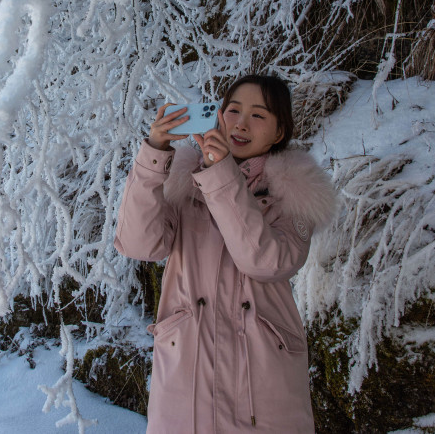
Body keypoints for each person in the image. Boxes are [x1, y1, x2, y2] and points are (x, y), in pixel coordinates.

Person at [115, 74, 337, 433]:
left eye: (259, 115)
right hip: (185, 374)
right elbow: (141, 244)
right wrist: (154, 154)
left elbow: (266, 262)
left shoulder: (294, 192)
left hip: (260, 379)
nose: (241, 123)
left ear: (279, 132)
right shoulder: (186, 181)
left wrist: (221, 173)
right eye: (233, 110)